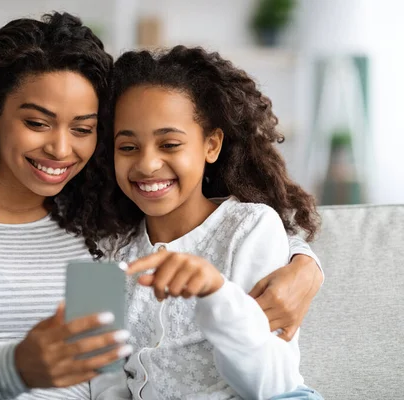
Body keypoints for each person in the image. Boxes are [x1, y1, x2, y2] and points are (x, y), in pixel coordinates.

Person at [0, 13, 322, 400]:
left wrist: (303, 261)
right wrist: (17, 368)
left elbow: (205, 230)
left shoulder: (95, 226)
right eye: (37, 122)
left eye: (83, 128)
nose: (59, 149)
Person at [91, 46, 324, 399]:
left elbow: (269, 385)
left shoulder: (250, 227)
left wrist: (216, 294)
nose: (148, 164)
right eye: (128, 147)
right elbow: (101, 380)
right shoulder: (108, 247)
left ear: (211, 145)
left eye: (169, 144)